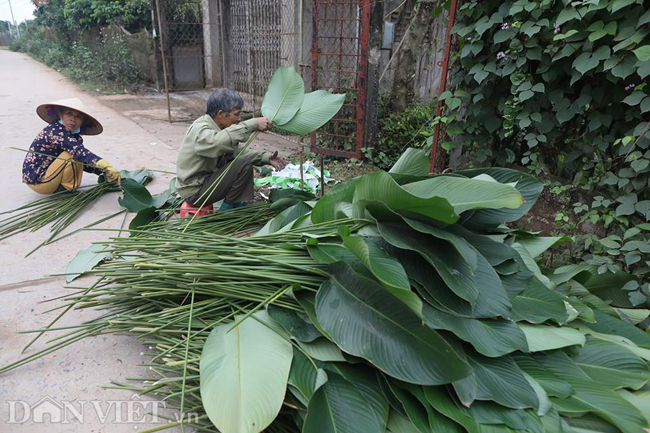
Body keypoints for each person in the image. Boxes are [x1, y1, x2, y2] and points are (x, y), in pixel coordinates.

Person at [175, 88, 286, 211]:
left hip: (204, 183)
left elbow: (237, 152)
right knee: (242, 165)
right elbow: (218, 142)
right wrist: (252, 124)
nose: (239, 119)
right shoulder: (201, 130)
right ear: (221, 114)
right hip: (195, 192)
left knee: (237, 161)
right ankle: (226, 211)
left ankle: (235, 203)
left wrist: (266, 157)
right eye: (236, 114)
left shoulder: (216, 127)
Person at [22, 98, 121, 194]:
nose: (73, 119)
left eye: (79, 117)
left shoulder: (74, 137)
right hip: (40, 181)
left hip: (50, 176)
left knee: (76, 156)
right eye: (69, 113)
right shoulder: (55, 131)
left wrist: (103, 172)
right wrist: (105, 165)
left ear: (83, 122)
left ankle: (63, 187)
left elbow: (83, 162)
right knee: (71, 156)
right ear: (60, 114)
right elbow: (79, 152)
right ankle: (66, 190)